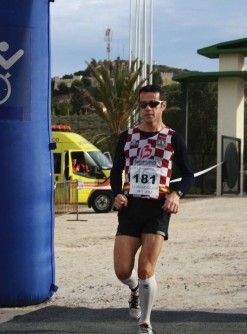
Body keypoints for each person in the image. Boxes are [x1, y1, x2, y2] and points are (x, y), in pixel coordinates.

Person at [110, 84, 194, 334]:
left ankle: (145, 323)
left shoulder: (172, 138)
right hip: (131, 209)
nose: (147, 109)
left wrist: (177, 194)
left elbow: (188, 174)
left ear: (162, 106)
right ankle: (134, 290)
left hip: (157, 210)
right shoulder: (127, 137)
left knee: (146, 267)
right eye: (143, 105)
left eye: (153, 104)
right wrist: (117, 194)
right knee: (123, 270)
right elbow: (116, 171)